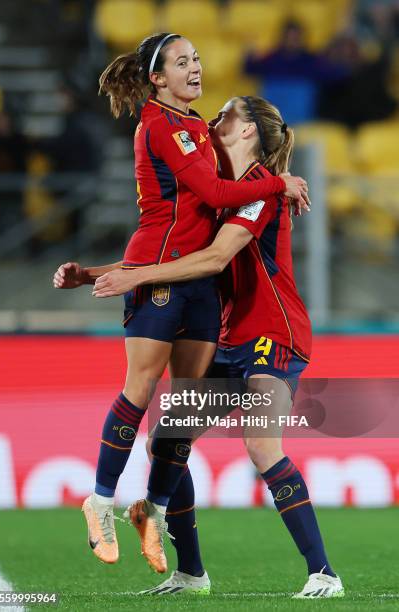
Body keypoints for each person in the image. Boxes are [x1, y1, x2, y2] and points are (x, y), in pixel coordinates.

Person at [53, 33, 310, 567]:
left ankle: (158, 513)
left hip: (200, 291)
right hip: (165, 278)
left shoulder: (196, 130)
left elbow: (211, 235)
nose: (195, 67)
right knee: (144, 391)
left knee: (177, 425)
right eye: (181, 62)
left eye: (197, 58)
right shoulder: (162, 125)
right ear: (156, 78)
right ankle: (100, 501)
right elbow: (214, 200)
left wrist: (275, 178)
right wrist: (276, 183)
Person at [93, 96, 344, 599]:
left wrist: (132, 279)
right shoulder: (218, 195)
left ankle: (324, 574)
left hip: (273, 333)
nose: (213, 119)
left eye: (226, 114)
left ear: (248, 130)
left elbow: (212, 260)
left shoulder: (258, 192)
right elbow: (173, 252)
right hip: (230, 336)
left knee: (260, 443)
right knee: (166, 440)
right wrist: (93, 274)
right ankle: (191, 574)